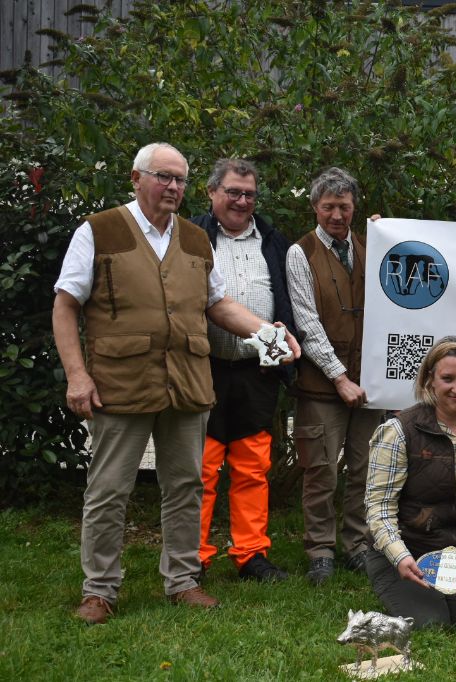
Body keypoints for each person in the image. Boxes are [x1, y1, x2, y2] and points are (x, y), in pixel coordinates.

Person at [53, 142, 301, 625]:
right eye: (163, 176)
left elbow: (218, 305)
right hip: (120, 383)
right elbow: (66, 305)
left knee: (186, 486)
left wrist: (270, 332)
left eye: (180, 179)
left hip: (187, 383)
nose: (172, 187)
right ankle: (99, 590)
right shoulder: (98, 230)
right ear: (136, 178)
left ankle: (183, 580)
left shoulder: (193, 238)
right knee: (108, 489)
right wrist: (77, 375)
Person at [191, 159, 294, 582]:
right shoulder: (191, 237)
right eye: (233, 192)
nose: (241, 201)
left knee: (253, 467)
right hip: (203, 366)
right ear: (212, 192)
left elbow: (289, 296)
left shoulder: (274, 241)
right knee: (200, 467)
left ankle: (251, 554)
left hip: (257, 371)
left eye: (249, 194)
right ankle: (191, 557)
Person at [364, 337, 456, 631]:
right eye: (448, 379)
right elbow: (379, 508)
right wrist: (400, 557)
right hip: (410, 553)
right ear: (430, 380)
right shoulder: (399, 431)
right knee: (432, 625)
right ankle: (396, 585)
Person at [286, 167, 383, 585]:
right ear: (315, 207)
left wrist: (390, 234)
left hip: (370, 385)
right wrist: (339, 376)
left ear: (354, 207)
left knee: (365, 469)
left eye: (344, 206)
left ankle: (358, 545)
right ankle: (320, 550)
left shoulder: (372, 247)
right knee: (320, 471)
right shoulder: (299, 253)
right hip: (321, 387)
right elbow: (305, 322)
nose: (337, 215)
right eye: (329, 207)